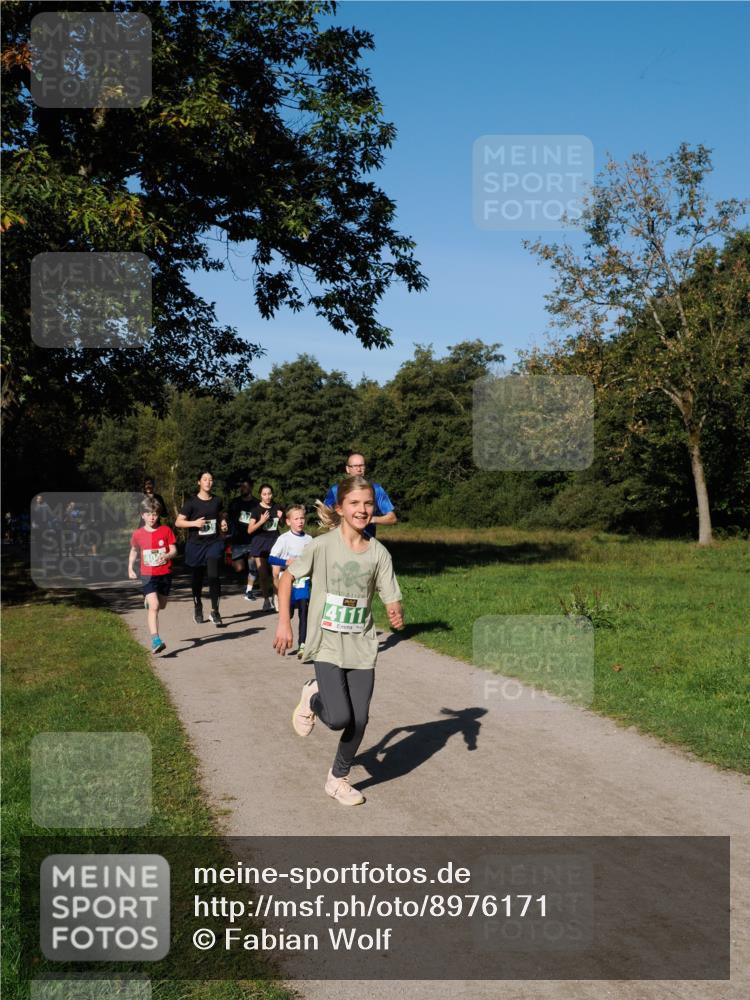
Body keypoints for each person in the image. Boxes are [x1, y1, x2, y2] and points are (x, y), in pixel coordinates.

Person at [273, 475, 404, 807]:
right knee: (338, 719)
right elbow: (287, 578)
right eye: (354, 503)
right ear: (341, 508)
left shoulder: (379, 554)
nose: (362, 509)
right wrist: (284, 623)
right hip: (327, 642)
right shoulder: (322, 546)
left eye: (368, 503)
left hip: (361, 644)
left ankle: (337, 779)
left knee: (359, 720)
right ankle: (313, 695)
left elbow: (391, 595)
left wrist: (395, 611)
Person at [175, 470, 225, 627]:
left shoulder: (217, 500)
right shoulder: (191, 503)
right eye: (205, 479)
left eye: (210, 479)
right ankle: (198, 606)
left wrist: (223, 522)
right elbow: (178, 522)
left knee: (213, 576)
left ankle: (215, 611)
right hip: (196, 545)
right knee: (197, 578)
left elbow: (221, 515)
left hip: (213, 543)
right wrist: (194, 523)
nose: (208, 482)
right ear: (199, 482)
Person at [128, 497, 177, 654]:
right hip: (147, 575)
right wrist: (130, 568)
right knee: (154, 606)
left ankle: (149, 601)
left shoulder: (166, 531)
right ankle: (156, 640)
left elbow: (174, 550)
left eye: (154, 514)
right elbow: (134, 550)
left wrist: (167, 556)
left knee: (161, 605)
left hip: (165, 573)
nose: (151, 517)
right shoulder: (138, 534)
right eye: (148, 514)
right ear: (142, 515)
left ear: (158, 514)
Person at [268, 505, 313, 657]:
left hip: (303, 582)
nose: (300, 521)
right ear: (288, 522)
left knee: (304, 611)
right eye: (296, 519)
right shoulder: (284, 539)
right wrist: (286, 562)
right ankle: (285, 631)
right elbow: (271, 558)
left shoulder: (309, 539)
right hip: (287, 583)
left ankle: (303, 645)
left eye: (302, 518)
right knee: (289, 614)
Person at [323, 453, 397, 539]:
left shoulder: (376, 489)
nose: (359, 469)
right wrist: (335, 525)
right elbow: (325, 513)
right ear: (347, 469)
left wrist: (371, 519)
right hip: (341, 540)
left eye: (361, 466)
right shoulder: (335, 490)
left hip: (366, 541)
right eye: (355, 466)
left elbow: (392, 518)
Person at [246, 484, 284, 612]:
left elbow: (282, 525)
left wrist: (281, 517)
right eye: (264, 494)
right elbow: (250, 530)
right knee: (263, 575)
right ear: (260, 495)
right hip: (260, 544)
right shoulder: (256, 510)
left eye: (269, 494)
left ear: (272, 494)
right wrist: (261, 521)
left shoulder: (277, 507)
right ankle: (266, 600)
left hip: (275, 542)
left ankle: (276, 597)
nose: (267, 496)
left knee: (276, 573)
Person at [228, 478, 260, 600]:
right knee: (239, 568)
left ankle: (249, 590)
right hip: (238, 540)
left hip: (253, 539)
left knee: (253, 566)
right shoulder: (234, 503)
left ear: (251, 488)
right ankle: (244, 582)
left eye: (245, 487)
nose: (243, 489)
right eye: (241, 487)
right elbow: (229, 519)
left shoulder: (257, 503)